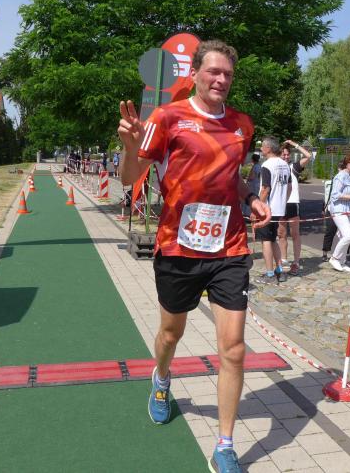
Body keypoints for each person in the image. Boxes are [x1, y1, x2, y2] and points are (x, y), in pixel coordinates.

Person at [117, 39, 271, 473]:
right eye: (213, 72)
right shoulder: (168, 118)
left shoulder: (242, 125)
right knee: (171, 334)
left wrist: (250, 197)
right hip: (178, 247)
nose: (221, 80)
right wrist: (130, 147)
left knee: (234, 349)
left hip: (229, 247)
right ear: (195, 74)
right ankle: (162, 378)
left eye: (227, 74)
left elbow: (231, 176)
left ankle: (225, 445)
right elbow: (131, 177)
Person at [255, 136, 291, 285]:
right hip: (279, 208)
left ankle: (270, 274)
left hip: (267, 209)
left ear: (268, 148)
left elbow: (265, 189)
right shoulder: (285, 164)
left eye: (262, 146)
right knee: (272, 239)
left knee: (266, 241)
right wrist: (282, 201)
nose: (261, 148)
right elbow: (289, 187)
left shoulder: (267, 165)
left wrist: (258, 207)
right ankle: (280, 270)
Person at [278, 140, 311, 276]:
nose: (286, 157)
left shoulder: (294, 167)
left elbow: (308, 156)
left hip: (292, 203)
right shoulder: (276, 167)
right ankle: (284, 261)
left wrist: (294, 144)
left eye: (288, 154)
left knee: (295, 234)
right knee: (281, 234)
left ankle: (296, 262)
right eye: (283, 154)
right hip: (279, 204)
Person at [327, 154, 350, 272]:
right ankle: (334, 258)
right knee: (349, 236)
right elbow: (335, 195)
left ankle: (342, 261)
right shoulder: (341, 176)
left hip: (348, 210)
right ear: (346, 164)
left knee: (344, 237)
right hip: (339, 210)